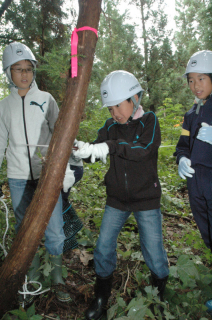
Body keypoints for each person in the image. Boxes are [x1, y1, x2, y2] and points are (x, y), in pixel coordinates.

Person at [73, 70, 169, 320]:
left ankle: (157, 296)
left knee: (154, 252)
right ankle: (101, 296)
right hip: (116, 199)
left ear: (134, 98)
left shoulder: (149, 121)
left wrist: (110, 146)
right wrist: (82, 151)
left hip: (146, 198)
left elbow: (144, 150)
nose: (115, 113)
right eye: (110, 108)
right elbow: (98, 151)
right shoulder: (109, 126)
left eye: (118, 105)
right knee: (103, 247)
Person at [0, 42, 75, 305]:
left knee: (54, 229)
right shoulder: (4, 106)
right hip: (19, 178)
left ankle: (57, 276)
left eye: (28, 69)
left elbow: (61, 134)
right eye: (17, 69)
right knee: (24, 230)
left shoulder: (46, 100)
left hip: (46, 176)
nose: (23, 74)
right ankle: (29, 275)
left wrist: (67, 168)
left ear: (33, 71)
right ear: (8, 72)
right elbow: (0, 142)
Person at [174, 50, 212, 314]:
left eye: (201, 78)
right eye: (191, 80)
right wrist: (182, 159)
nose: (195, 85)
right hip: (196, 184)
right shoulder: (190, 114)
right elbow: (182, 145)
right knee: (209, 235)